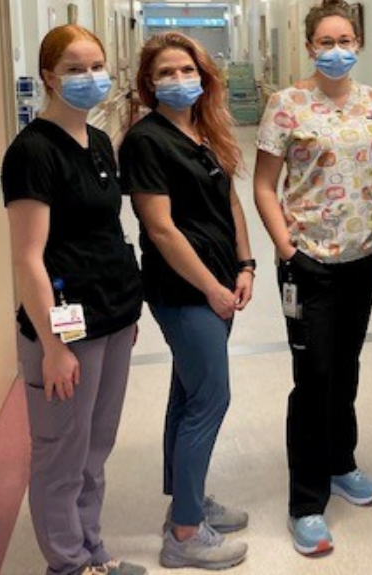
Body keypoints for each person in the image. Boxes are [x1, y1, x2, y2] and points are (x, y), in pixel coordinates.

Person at [4, 24, 144, 575]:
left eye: (96, 67)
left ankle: (93, 552)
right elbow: (27, 258)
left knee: (95, 449)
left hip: (113, 317)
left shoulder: (100, 140)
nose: (90, 79)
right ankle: (66, 564)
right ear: (48, 79)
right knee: (61, 452)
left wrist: (125, 312)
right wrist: (54, 345)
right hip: (66, 330)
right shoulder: (32, 152)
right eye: (75, 70)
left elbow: (107, 230)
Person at [252, 0, 372, 556]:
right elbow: (265, 185)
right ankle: (305, 503)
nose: (337, 50)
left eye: (345, 40)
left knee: (347, 368)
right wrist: (286, 246)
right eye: (326, 41)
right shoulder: (286, 105)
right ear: (310, 47)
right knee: (314, 376)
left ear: (359, 43)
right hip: (308, 260)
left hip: (363, 258)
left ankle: (341, 464)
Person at [120, 32, 253, 570]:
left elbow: (230, 200)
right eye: (166, 73)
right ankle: (184, 535)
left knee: (186, 394)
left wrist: (245, 264)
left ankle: (188, 502)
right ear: (149, 85)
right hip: (184, 291)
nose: (179, 80)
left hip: (219, 281)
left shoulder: (204, 130)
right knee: (209, 401)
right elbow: (161, 229)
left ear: (205, 76)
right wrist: (213, 288)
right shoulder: (146, 140)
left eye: (187, 70)